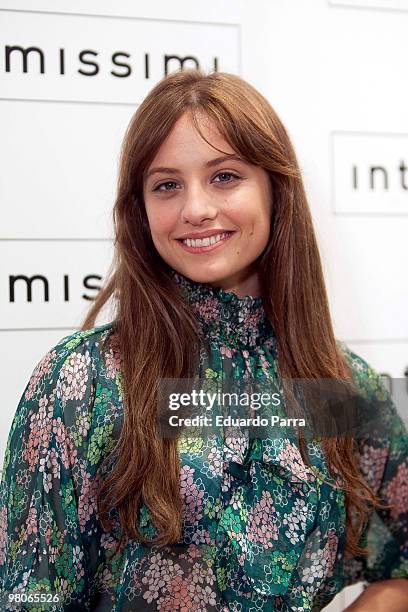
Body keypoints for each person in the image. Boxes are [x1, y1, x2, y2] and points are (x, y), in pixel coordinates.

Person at [0, 69, 407, 612]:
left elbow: (399, 568)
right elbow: (30, 597)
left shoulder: (340, 384)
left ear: (274, 189)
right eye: (167, 184)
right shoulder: (84, 380)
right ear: (141, 212)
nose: (195, 208)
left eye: (224, 176)